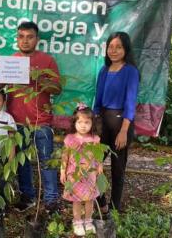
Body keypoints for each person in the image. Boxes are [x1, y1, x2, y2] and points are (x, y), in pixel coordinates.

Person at [0, 21, 62, 212]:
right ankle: (27, 196)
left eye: (30, 37)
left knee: (47, 162)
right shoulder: (10, 60)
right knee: (22, 163)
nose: (25, 40)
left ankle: (51, 200)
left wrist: (37, 76)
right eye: (21, 36)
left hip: (41, 122)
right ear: (17, 39)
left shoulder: (47, 61)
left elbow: (57, 88)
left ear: (37, 39)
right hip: (16, 122)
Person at [93, 32, 139, 213]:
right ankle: (102, 203)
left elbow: (130, 102)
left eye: (118, 47)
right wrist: (95, 124)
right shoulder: (104, 70)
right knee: (93, 164)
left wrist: (124, 131)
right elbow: (97, 100)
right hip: (103, 121)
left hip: (122, 123)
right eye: (110, 47)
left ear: (126, 49)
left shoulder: (131, 71)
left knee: (117, 168)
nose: (114, 50)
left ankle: (114, 209)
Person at [60, 104, 102, 236]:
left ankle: (88, 220)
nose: (83, 125)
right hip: (74, 174)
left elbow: (98, 154)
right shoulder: (69, 139)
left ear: (92, 124)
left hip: (90, 173)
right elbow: (64, 157)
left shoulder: (95, 139)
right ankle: (77, 221)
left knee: (90, 199)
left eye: (87, 122)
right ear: (75, 122)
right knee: (76, 200)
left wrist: (100, 165)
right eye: (80, 122)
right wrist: (62, 171)